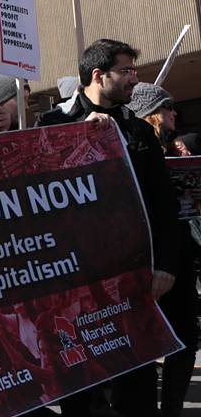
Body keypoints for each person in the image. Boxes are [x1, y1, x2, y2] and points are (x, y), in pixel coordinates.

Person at [36, 39, 182, 417]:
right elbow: (38, 199)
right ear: (99, 76)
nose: (135, 78)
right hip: (76, 285)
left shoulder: (139, 131)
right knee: (82, 390)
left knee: (138, 386)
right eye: (127, 71)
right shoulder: (53, 124)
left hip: (134, 280)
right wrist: (76, 138)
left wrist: (165, 263)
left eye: (135, 70)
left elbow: (163, 205)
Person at [127, 82, 199, 416]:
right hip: (145, 255)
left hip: (179, 251)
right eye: (167, 106)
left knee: (185, 336)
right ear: (151, 113)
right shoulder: (136, 147)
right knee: (143, 338)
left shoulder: (176, 148)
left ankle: (170, 408)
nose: (174, 112)